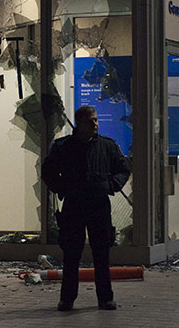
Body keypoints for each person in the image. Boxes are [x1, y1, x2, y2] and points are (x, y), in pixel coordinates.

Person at [41, 105, 132, 311]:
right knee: (72, 254)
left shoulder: (107, 146)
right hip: (74, 205)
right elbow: (48, 171)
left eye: (96, 120)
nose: (95, 124)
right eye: (90, 121)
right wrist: (61, 187)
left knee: (102, 253)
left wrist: (111, 185)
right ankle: (67, 298)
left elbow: (123, 168)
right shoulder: (63, 147)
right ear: (79, 124)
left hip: (99, 205)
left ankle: (105, 298)